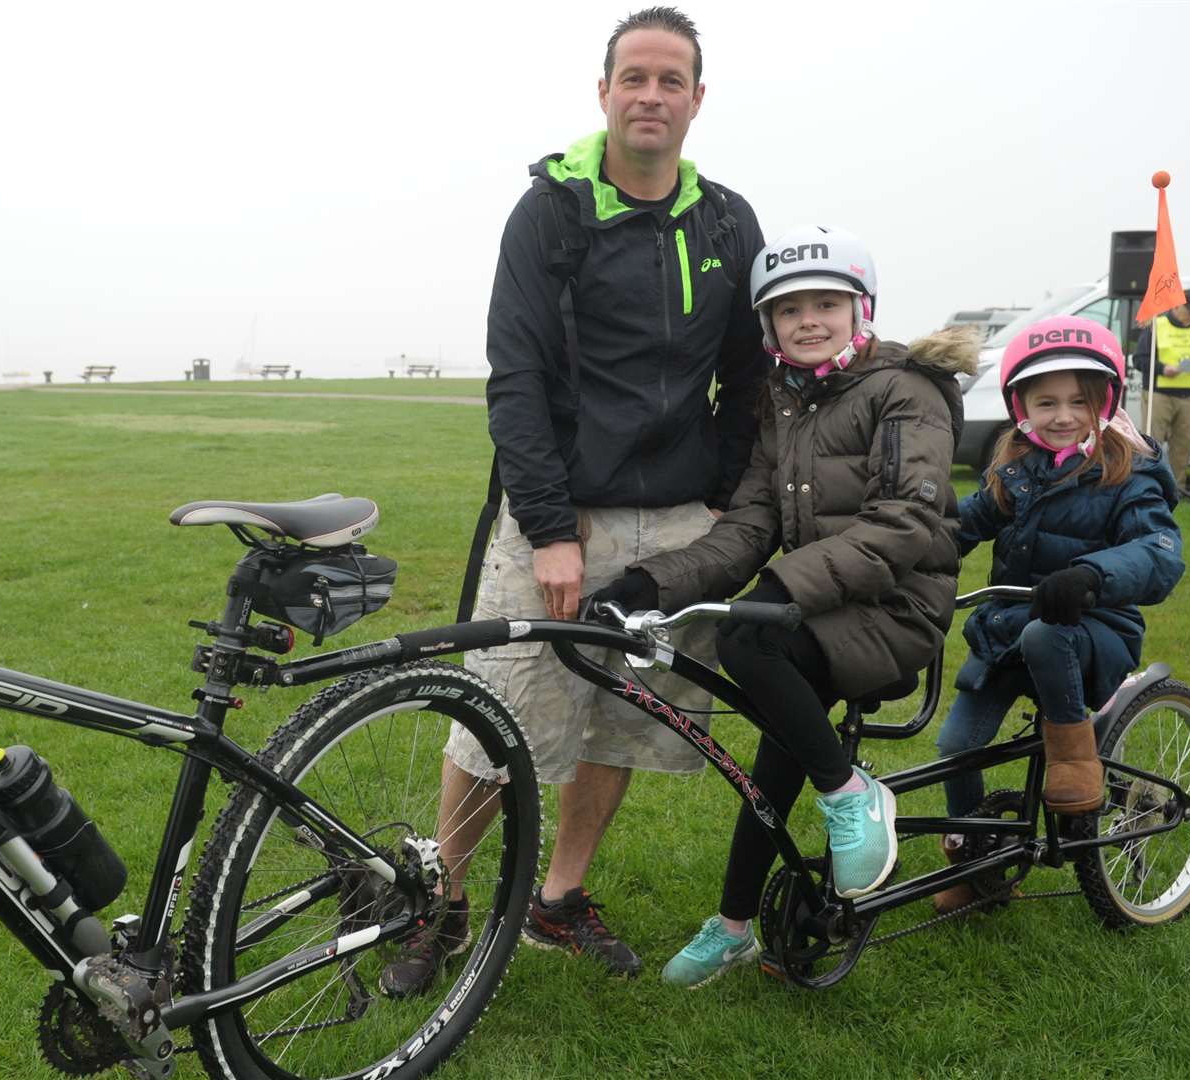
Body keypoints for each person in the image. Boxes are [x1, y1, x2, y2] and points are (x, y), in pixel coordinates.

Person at [379, 6, 770, 998]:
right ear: (602, 92)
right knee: (493, 711)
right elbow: (514, 376)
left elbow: (746, 373)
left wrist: (721, 505)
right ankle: (446, 897)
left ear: (696, 100)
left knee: (623, 717)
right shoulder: (550, 211)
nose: (650, 94)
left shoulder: (726, 221)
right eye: (632, 76)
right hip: (560, 517)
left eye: (669, 79)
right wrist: (550, 529)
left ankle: (560, 896)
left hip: (675, 525)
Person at [595, 226, 978, 988]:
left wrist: (781, 588)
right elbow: (748, 528)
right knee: (776, 742)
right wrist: (648, 583)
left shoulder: (906, 390)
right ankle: (733, 925)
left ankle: (849, 796)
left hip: (898, 605)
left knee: (748, 645)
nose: (807, 320)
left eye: (825, 304)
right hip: (827, 602)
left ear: (858, 309)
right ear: (768, 327)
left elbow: (905, 521)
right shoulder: (786, 402)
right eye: (788, 309)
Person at [931, 316, 1183, 914]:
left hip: (1095, 631)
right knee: (955, 746)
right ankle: (978, 858)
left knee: (1049, 634)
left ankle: (1075, 761)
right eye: (1046, 402)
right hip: (1009, 631)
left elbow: (1158, 550)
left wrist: (1093, 575)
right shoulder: (1016, 471)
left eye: (1079, 401)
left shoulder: (1130, 472)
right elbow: (962, 526)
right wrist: (913, 538)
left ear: (1107, 401)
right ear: (1021, 406)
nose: (1063, 415)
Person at [1132, 288, 1190, 502]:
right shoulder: (1157, 326)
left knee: (1182, 444)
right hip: (1159, 395)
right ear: (1176, 306)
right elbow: (1139, 360)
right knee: (1152, 443)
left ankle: (1177, 489)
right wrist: (1162, 368)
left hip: (1189, 397)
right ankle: (1147, 486)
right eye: (1189, 310)